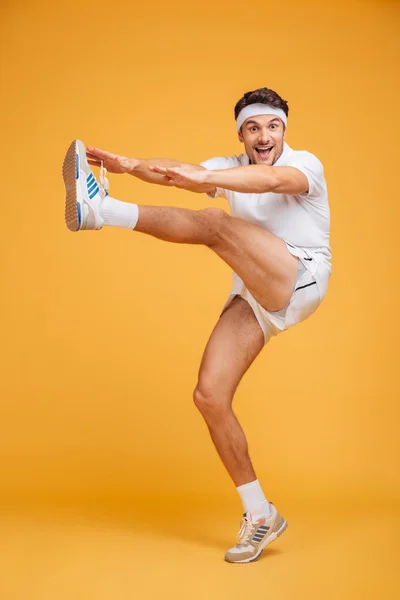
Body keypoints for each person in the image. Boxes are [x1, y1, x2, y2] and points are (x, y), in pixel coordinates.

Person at [62, 87, 331, 564]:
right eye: (253, 128)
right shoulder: (227, 166)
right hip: (258, 293)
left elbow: (268, 182)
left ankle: (101, 211)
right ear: (241, 134)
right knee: (209, 395)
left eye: (272, 126)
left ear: (284, 130)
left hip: (301, 275)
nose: (263, 135)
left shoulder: (305, 164)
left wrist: (206, 178)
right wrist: (129, 164)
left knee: (213, 224)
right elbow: (175, 175)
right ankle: (261, 513)